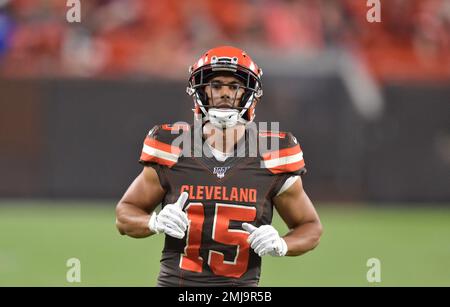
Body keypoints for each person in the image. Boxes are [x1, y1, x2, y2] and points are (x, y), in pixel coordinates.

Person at [115, 46, 323, 287]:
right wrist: (154, 222)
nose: (225, 94)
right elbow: (125, 215)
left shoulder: (274, 153)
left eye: (233, 86)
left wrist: (283, 244)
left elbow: (310, 227)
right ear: (201, 91)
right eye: (216, 86)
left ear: (248, 94)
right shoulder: (171, 147)